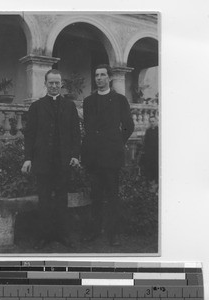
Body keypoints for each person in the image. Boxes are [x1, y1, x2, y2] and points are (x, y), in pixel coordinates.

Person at [21, 69, 81, 250]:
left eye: (57, 83)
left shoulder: (70, 106)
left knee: (62, 200)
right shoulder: (37, 107)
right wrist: (28, 159)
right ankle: (43, 236)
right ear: (45, 84)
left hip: (63, 161)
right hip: (43, 161)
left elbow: (75, 134)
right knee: (45, 199)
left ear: (61, 84)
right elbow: (30, 135)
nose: (54, 86)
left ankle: (63, 235)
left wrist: (74, 156)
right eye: (51, 83)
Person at [81, 64, 134, 246]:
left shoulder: (119, 100)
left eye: (103, 75)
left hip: (112, 157)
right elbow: (87, 128)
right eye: (96, 75)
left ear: (109, 78)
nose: (99, 78)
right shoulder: (88, 101)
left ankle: (113, 234)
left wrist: (117, 142)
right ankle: (94, 231)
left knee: (112, 197)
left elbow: (129, 126)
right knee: (95, 196)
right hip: (94, 157)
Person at [142, 115, 159, 189]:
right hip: (149, 153)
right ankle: (150, 181)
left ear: (156, 121)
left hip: (156, 153)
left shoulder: (159, 130)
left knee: (156, 167)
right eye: (150, 121)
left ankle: (156, 182)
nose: (152, 123)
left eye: (153, 121)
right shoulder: (148, 131)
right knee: (149, 167)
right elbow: (146, 142)